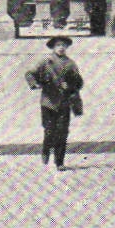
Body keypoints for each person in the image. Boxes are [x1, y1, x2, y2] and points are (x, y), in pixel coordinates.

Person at [25, 36, 85, 170]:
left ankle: (60, 162)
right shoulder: (46, 62)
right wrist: (34, 84)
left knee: (62, 132)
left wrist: (69, 86)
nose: (61, 48)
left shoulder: (71, 64)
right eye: (58, 45)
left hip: (64, 102)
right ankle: (46, 149)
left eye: (63, 45)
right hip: (48, 102)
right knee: (49, 131)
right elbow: (30, 73)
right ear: (53, 47)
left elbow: (78, 82)